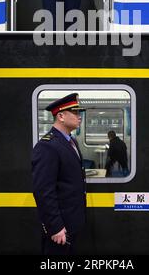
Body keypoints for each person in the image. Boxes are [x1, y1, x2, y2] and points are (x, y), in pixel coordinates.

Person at [32, 93, 86, 255]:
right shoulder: (48, 146)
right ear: (61, 116)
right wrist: (55, 227)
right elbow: (43, 191)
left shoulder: (71, 141)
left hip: (71, 222)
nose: (79, 117)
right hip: (60, 227)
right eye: (75, 113)